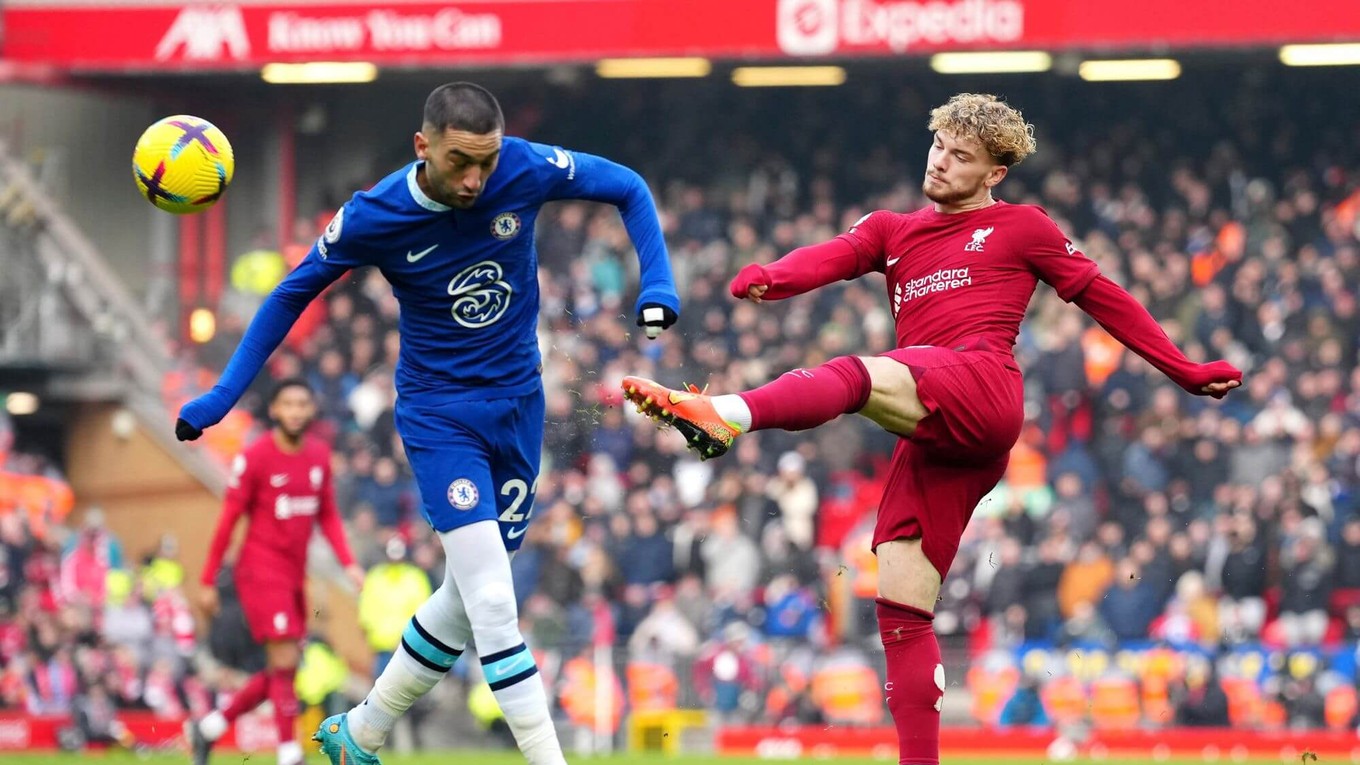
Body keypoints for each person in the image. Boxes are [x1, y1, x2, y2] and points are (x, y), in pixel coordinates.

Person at [621, 92, 1240, 765]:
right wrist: (775, 276)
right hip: (940, 438)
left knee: (861, 372)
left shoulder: (1024, 227)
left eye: (961, 156)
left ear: (994, 174)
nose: (941, 161)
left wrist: (1183, 368)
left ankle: (727, 415)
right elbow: (833, 255)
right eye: (939, 145)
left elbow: (1103, 295)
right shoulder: (894, 229)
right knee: (902, 612)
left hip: (983, 389)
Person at [176, 82, 680, 765]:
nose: (477, 177)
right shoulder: (374, 215)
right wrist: (223, 394)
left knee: (466, 598)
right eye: (459, 162)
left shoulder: (522, 167)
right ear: (423, 147)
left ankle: (361, 733)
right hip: (440, 418)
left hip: (519, 408)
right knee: (496, 603)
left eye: (487, 160)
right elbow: (291, 291)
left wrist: (657, 283)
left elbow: (627, 186)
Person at [186, 378, 364, 765]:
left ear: (311, 410)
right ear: (275, 410)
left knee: (282, 668)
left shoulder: (318, 456)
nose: (297, 411)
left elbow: (328, 515)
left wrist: (348, 563)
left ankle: (209, 728)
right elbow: (229, 517)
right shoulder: (256, 457)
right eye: (289, 404)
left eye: (303, 403)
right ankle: (289, 754)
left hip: (294, 574)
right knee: (284, 661)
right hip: (260, 570)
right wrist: (207, 579)